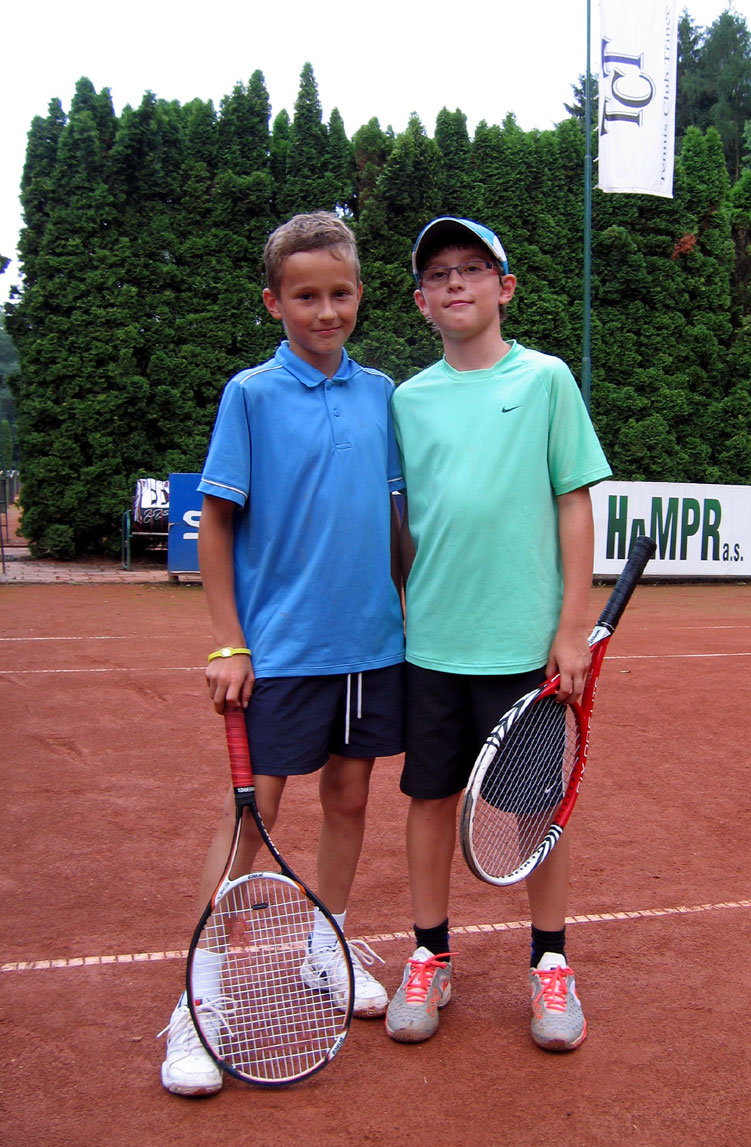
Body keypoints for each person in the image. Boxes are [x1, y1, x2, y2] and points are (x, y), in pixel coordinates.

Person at [159, 211, 405, 1095]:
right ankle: (198, 1004)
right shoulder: (251, 395)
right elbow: (218, 523)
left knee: (349, 797)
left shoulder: (384, 394)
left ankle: (321, 947)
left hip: (371, 648)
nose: (325, 311)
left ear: (360, 294)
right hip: (280, 655)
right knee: (250, 822)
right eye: (305, 296)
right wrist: (229, 640)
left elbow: (397, 524)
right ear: (274, 303)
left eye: (339, 293)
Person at [386, 217, 611, 1052]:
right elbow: (402, 525)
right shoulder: (406, 401)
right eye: (438, 273)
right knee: (428, 800)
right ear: (421, 301)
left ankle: (550, 964)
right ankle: (430, 955)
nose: (456, 282)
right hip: (431, 646)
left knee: (533, 811)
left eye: (474, 268)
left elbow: (573, 503)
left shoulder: (547, 379)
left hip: (524, 649)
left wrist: (572, 628)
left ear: (505, 287)